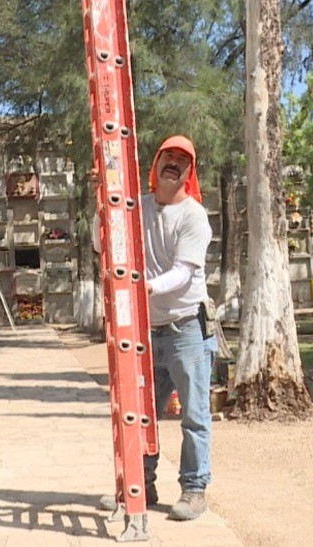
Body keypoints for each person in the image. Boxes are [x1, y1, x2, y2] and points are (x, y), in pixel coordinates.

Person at [97, 135, 216, 522]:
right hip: (146, 331)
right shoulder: (138, 207)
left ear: (189, 172)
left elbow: (183, 272)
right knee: (141, 413)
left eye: (183, 160)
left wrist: (144, 286)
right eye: (169, 156)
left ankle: (194, 490)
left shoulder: (193, 216)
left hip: (186, 328)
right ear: (156, 162)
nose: (174, 163)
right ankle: (139, 485)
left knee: (194, 415)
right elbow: (105, 242)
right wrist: (102, 211)